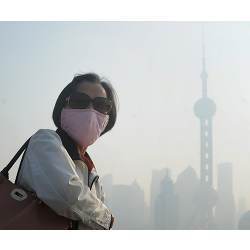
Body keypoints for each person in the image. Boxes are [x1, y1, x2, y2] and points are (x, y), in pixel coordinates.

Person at [16, 73, 118, 229]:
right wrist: (106, 218)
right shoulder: (45, 141)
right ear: (64, 107)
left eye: (101, 105)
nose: (90, 111)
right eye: (80, 101)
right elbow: (68, 196)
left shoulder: (92, 173)